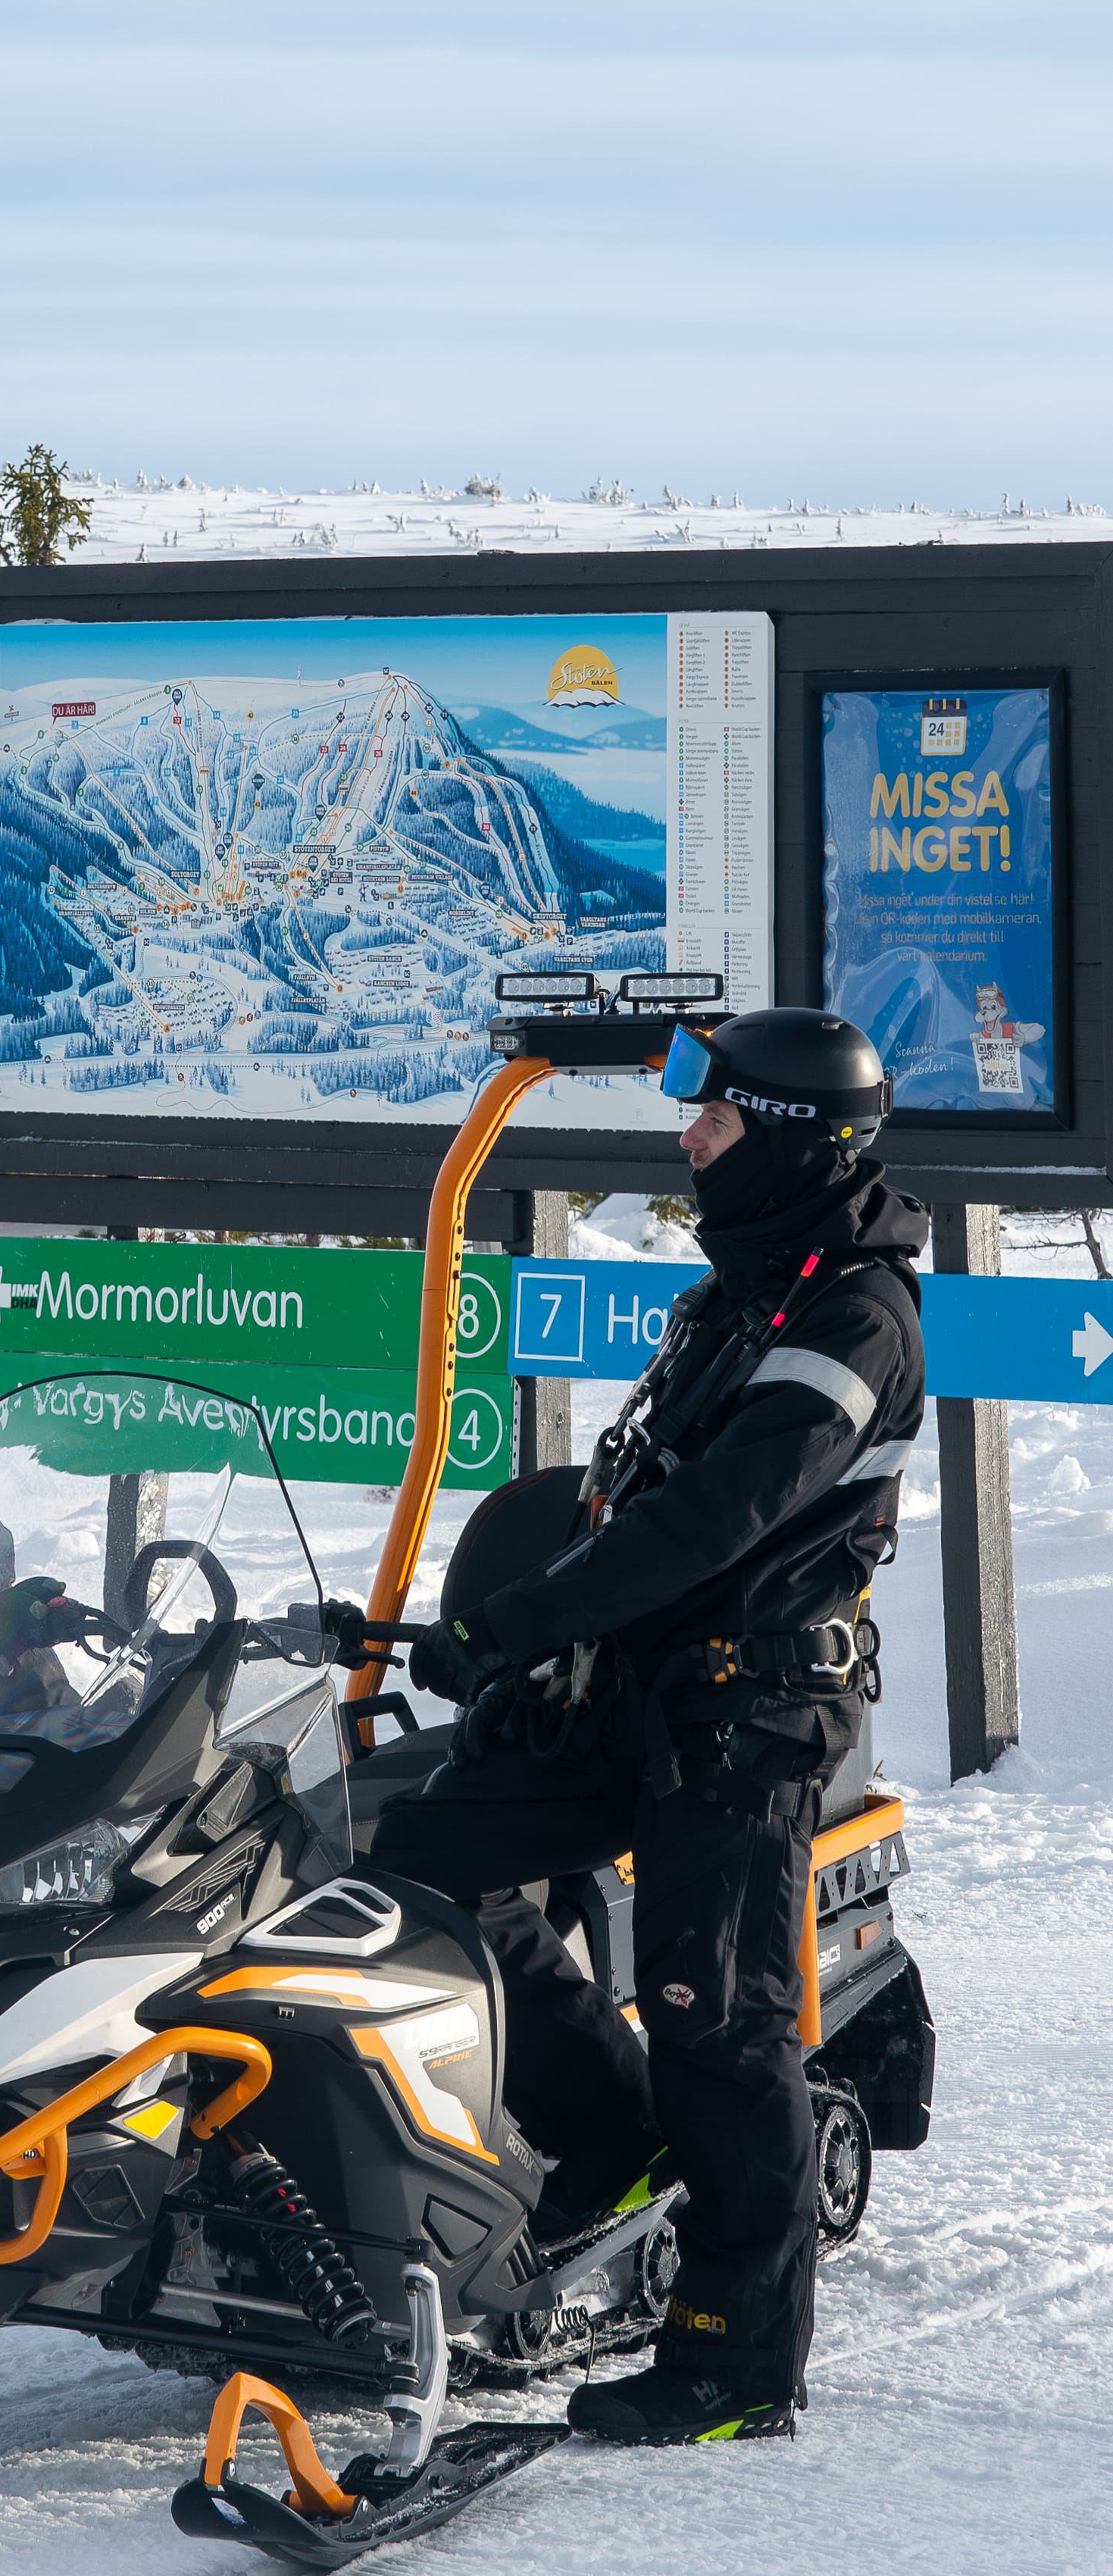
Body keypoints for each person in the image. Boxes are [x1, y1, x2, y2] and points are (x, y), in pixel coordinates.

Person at [370, 1006, 927, 2446]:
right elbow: (624, 1493)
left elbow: (708, 1521)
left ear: (795, 1139)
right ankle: (612, 2136)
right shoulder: (738, 1294)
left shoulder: (853, 1319)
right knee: (418, 1870)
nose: (689, 1145)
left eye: (717, 1123)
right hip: (632, 1697)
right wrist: (522, 1647)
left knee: (720, 2024)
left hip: (748, 1719)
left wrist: (519, 1622)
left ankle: (739, 2358)